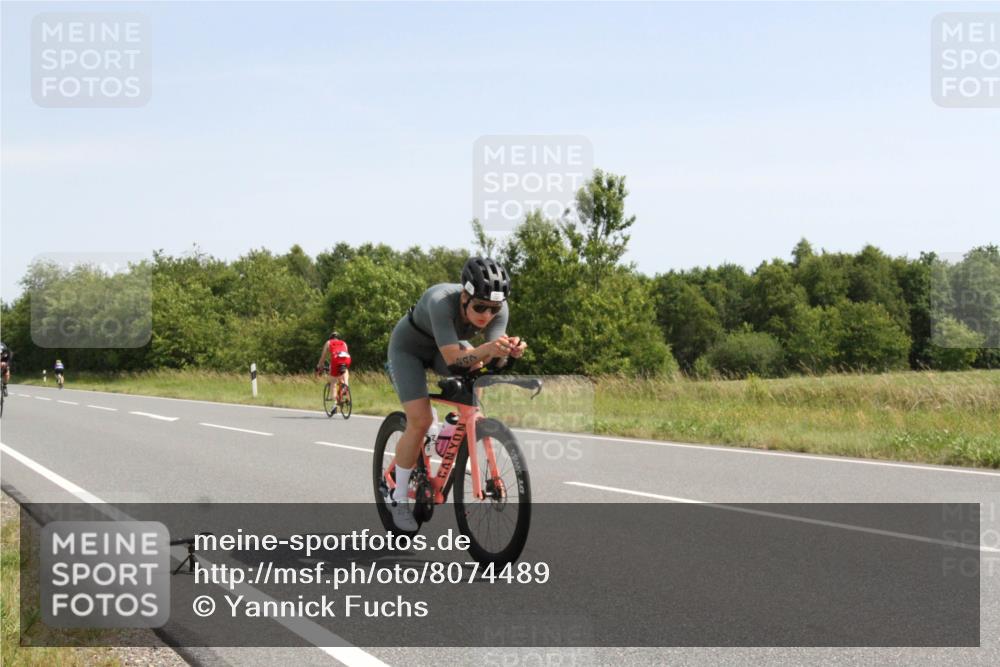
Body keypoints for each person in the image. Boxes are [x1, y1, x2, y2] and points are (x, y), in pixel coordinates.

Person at [384, 257, 527, 530]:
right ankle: (398, 497)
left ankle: (456, 426)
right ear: (464, 296)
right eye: (480, 307)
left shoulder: (499, 310)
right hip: (409, 350)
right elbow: (452, 360)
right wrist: (490, 349)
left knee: (476, 370)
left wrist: (507, 352)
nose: (486, 315)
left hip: (445, 349)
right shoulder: (440, 301)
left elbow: (490, 363)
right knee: (420, 420)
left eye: (494, 309)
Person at [316, 331, 351, 412]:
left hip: (336, 359)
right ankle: (346, 387)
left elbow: (323, 357)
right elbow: (345, 352)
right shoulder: (344, 343)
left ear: (330, 337)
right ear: (339, 338)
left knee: (333, 382)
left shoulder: (328, 342)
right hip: (347, 358)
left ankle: (335, 404)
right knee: (345, 373)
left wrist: (319, 366)